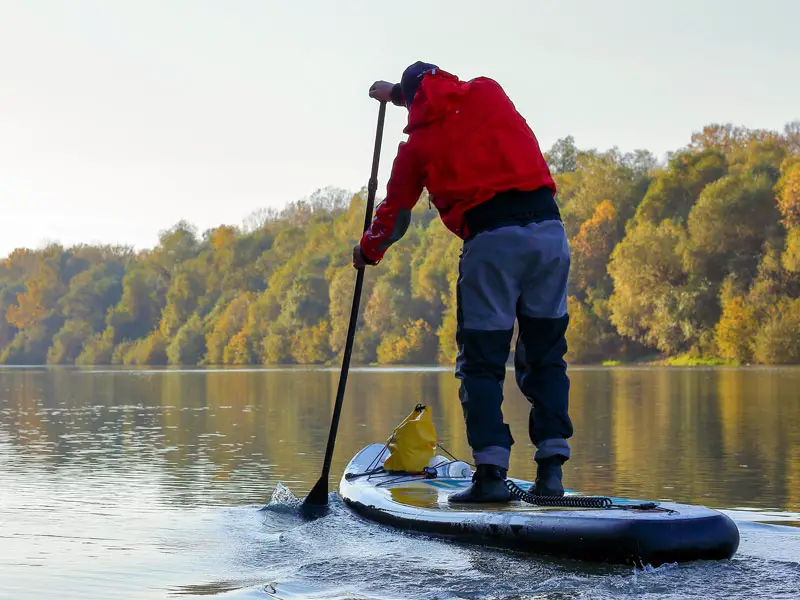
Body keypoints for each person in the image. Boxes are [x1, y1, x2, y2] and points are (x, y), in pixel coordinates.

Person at [353, 61, 573, 502]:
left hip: (493, 242)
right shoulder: (489, 90)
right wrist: (393, 93)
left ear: (410, 101)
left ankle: (490, 476)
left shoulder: (416, 147)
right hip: (551, 235)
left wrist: (367, 250)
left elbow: (394, 218)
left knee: (481, 362)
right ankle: (551, 474)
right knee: (545, 355)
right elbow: (430, 95)